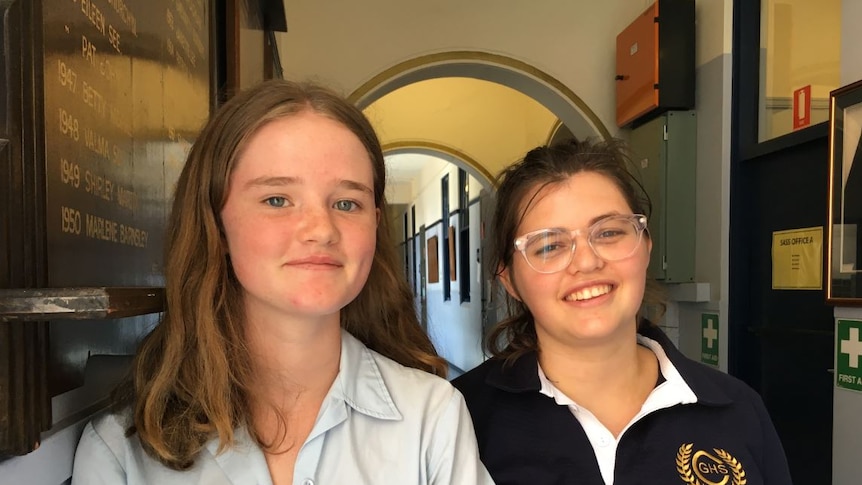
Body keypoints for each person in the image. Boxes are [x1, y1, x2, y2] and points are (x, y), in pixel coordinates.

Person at [72, 79, 494, 485]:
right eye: (277, 199)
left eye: (347, 203)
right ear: (217, 224)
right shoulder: (122, 449)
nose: (320, 229)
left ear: (374, 225)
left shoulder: (431, 417)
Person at [452, 138, 792, 485]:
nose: (586, 261)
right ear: (509, 280)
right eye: (550, 246)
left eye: (609, 232)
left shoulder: (737, 409)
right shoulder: (459, 420)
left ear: (645, 247)